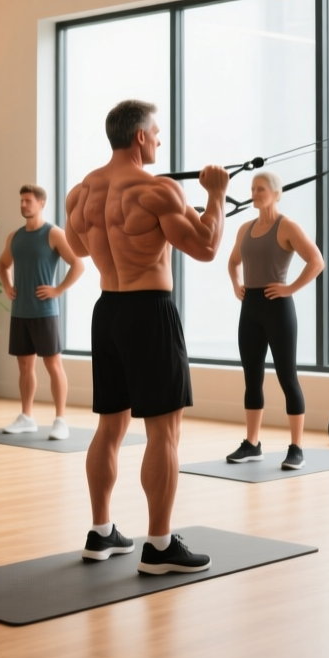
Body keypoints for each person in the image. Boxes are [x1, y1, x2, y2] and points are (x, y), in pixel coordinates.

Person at [64, 99, 228, 575]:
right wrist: (216, 196)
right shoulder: (158, 189)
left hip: (107, 312)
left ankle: (101, 532)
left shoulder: (81, 192)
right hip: (149, 312)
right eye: (156, 133)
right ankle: (159, 546)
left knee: (109, 427)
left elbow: (76, 247)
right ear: (139, 136)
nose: (159, 140)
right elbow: (206, 246)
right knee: (164, 431)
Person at [223, 172, 324, 469]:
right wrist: (236, 284)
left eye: (261, 189)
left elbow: (316, 261)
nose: (255, 193)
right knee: (252, 378)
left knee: (287, 377)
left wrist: (290, 288)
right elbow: (232, 262)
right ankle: (252, 444)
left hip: (278, 308)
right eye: (253, 189)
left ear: (276, 194)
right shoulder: (245, 229)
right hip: (250, 309)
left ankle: (296, 448)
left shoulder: (287, 226)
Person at [0, 184, 85, 440]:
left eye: (28, 201)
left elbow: (78, 264)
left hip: (45, 312)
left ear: (41, 203)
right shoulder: (14, 237)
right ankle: (26, 417)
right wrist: (7, 285)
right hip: (20, 312)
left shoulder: (54, 233)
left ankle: (60, 420)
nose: (23, 205)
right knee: (25, 366)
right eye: (21, 201)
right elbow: (3, 264)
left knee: (53, 365)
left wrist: (58, 290)